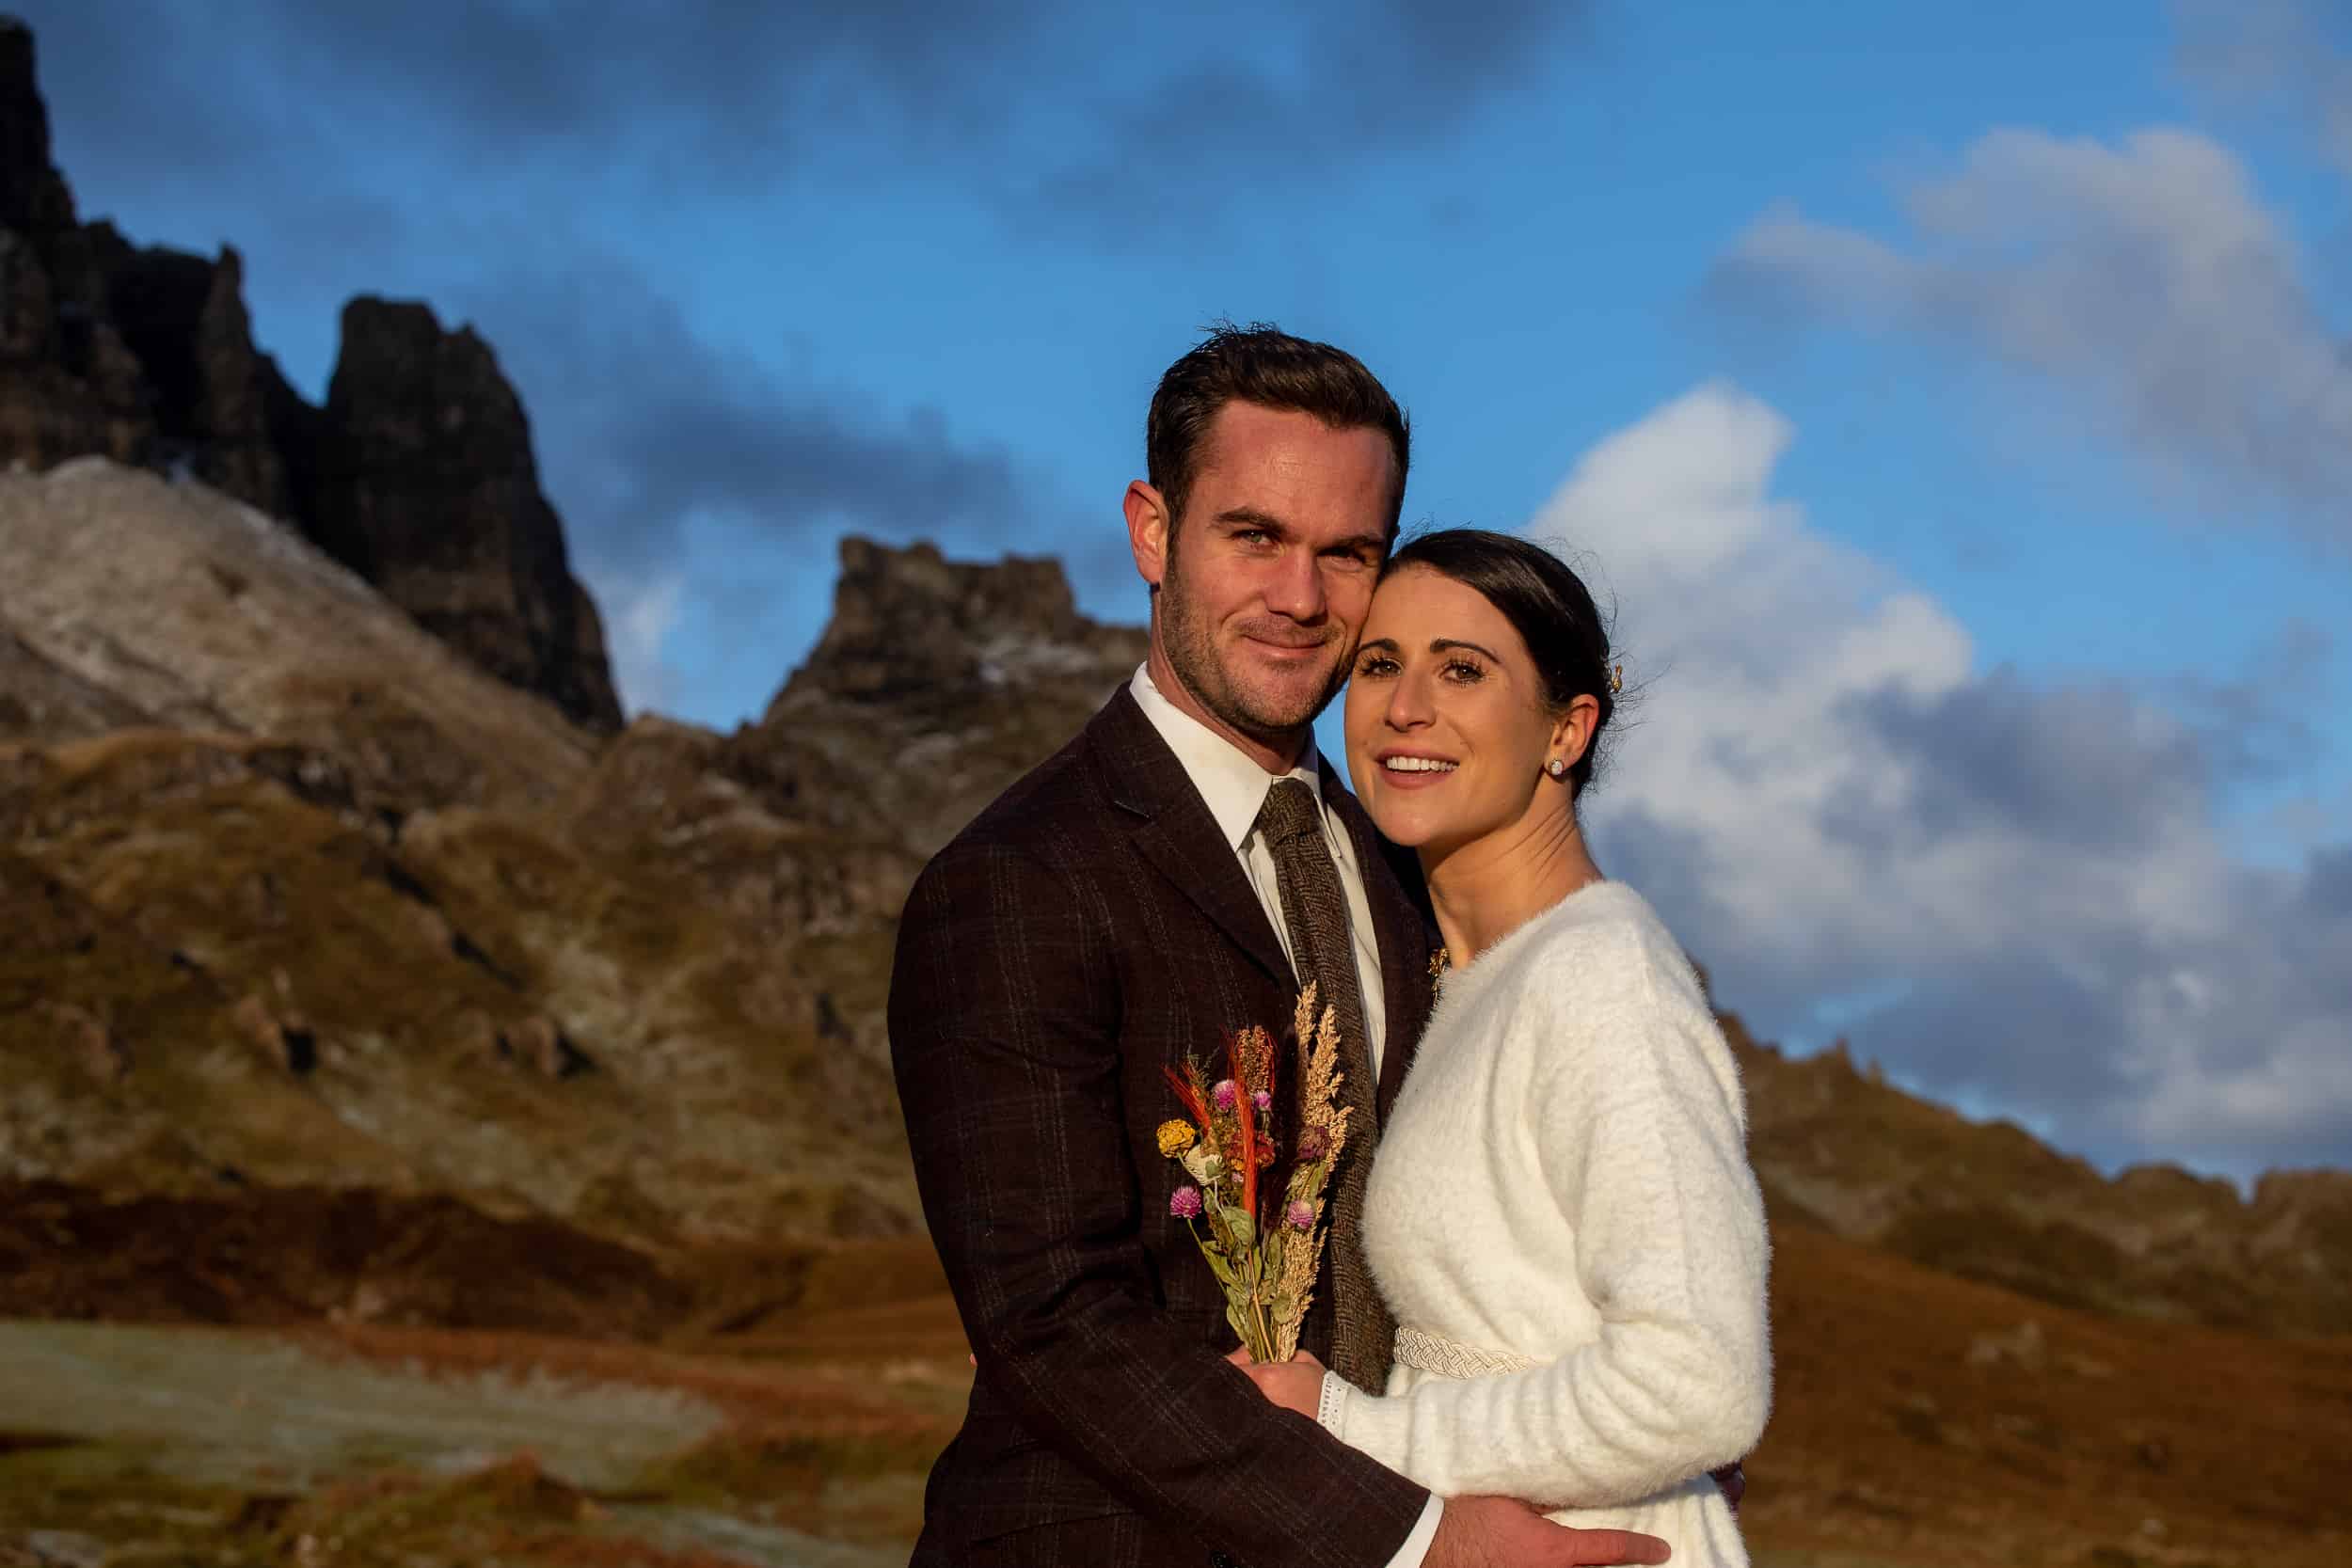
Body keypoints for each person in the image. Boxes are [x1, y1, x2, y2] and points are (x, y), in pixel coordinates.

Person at [889, 330, 1675, 1567]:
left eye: (1348, 553)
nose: (1301, 598)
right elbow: (1054, 1325)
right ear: (1154, 531)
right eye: (1254, 535)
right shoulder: (1016, 881)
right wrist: (1415, 1539)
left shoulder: (1412, 876)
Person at [1229, 529, 1772, 1566]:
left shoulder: (1599, 973)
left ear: (1566, 728)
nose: (1405, 705)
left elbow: (1696, 1382)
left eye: (1463, 669)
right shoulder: (1470, 979)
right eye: (1379, 663)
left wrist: (1352, 1428)